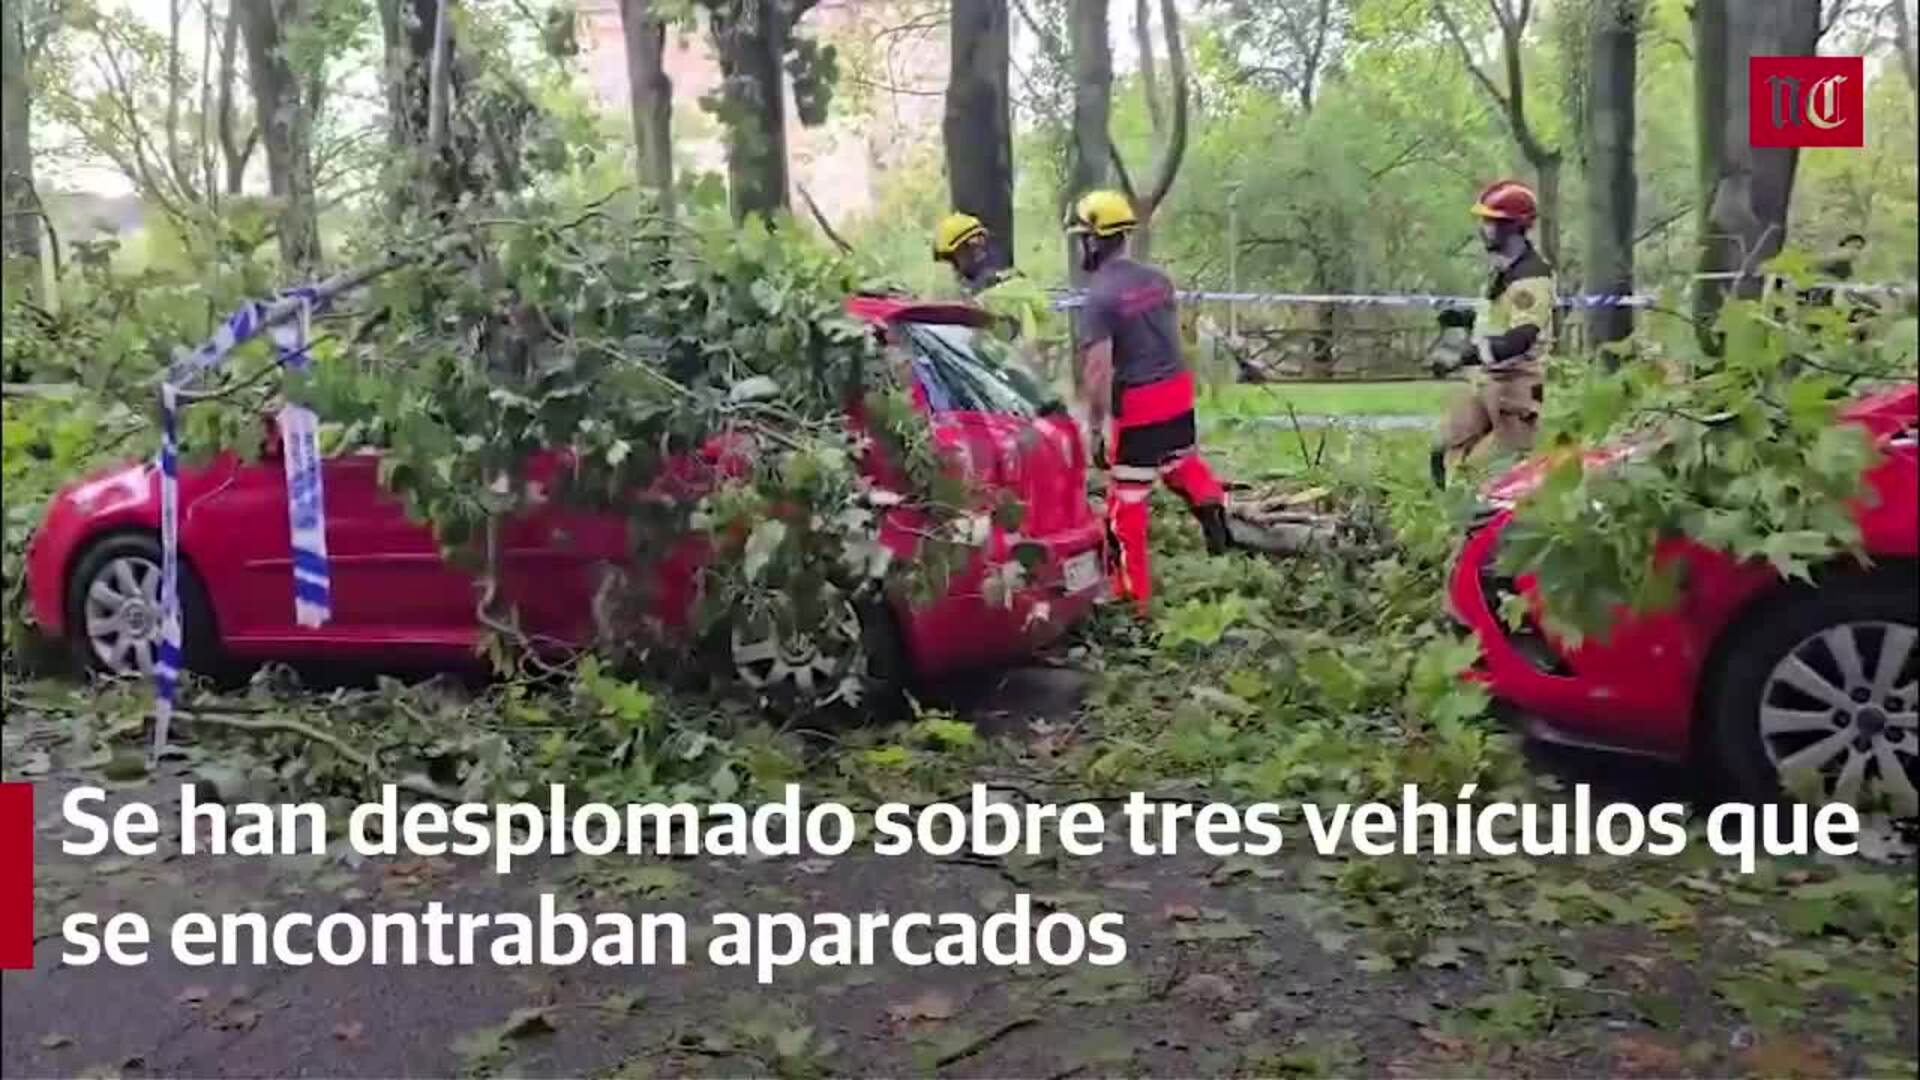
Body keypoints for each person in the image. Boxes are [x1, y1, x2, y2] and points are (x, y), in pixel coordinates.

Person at [1065, 189, 1232, 617]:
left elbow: (1099, 370)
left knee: (1128, 500)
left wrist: (1095, 424)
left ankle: (1133, 595)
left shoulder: (1100, 296)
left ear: (1094, 240)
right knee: (1179, 460)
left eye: (1081, 236)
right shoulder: (1158, 280)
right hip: (1177, 387)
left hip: (1139, 399)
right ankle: (1211, 507)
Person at [1428, 179, 1555, 489]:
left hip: (1517, 389)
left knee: (1500, 476)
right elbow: (1496, 318)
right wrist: (1464, 318)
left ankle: (1494, 529)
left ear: (1513, 227)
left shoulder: (1532, 277)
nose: (1483, 228)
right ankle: (1448, 517)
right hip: (1487, 381)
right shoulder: (1502, 268)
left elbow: (1519, 338)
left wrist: (1465, 355)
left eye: (1491, 221)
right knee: (1442, 449)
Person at [931, 212, 1014, 294]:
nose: (980, 247)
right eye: (970, 244)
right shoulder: (947, 294)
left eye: (981, 237)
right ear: (950, 257)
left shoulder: (1005, 280)